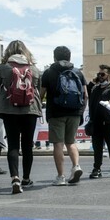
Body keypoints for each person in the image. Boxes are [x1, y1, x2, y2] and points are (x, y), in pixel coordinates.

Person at [0, 40, 43, 194]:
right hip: (30, 109)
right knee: (28, 145)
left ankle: (15, 177)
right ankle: (26, 178)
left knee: (13, 144)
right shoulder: (34, 68)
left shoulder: (3, 68)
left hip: (10, 109)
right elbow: (39, 89)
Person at [40, 46, 88, 186]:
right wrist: (80, 111)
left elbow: (41, 95)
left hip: (56, 113)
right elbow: (85, 95)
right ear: (70, 57)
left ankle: (61, 176)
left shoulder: (49, 73)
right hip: (74, 113)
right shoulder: (78, 72)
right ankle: (76, 166)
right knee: (71, 142)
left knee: (58, 144)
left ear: (54, 57)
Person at [87, 64, 110, 179]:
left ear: (109, 75)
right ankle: (97, 168)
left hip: (108, 122)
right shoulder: (95, 88)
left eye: (102, 74)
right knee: (97, 148)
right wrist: (93, 81)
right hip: (96, 122)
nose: (100, 76)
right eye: (98, 74)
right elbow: (86, 91)